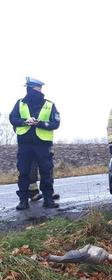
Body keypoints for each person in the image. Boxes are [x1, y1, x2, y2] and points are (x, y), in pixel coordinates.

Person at [9, 77, 60, 210]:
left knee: (46, 172)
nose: (36, 90)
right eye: (33, 88)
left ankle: (48, 200)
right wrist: (24, 121)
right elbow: (12, 118)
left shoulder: (49, 104)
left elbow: (56, 123)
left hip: (42, 145)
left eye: (37, 89)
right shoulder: (20, 103)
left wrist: (40, 123)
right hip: (25, 144)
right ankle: (23, 201)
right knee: (24, 173)